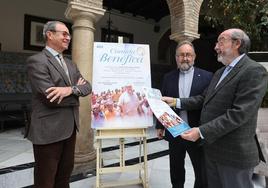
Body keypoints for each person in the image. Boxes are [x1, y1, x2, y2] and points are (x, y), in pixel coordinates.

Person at [162, 29, 268, 188]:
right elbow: (204, 99)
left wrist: (201, 131)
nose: (216, 47)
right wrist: (176, 102)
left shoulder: (253, 71)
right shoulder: (220, 72)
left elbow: (239, 114)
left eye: (221, 41)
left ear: (237, 43)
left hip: (233, 154)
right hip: (212, 150)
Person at [26, 21, 92, 188]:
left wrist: (68, 90)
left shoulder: (70, 63)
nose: (68, 37)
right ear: (50, 35)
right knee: (45, 180)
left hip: (70, 129)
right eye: (64, 33)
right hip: (48, 130)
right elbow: (51, 98)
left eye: (69, 34)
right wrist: (76, 92)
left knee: (64, 177)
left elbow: (87, 87)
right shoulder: (37, 61)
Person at [156, 41, 213, 188]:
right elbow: (161, 104)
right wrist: (160, 126)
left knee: (201, 171)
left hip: (196, 131)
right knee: (176, 169)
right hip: (174, 131)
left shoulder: (207, 77)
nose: (185, 58)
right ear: (176, 58)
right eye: (181, 55)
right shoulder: (168, 77)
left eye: (188, 55)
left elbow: (205, 102)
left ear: (194, 57)